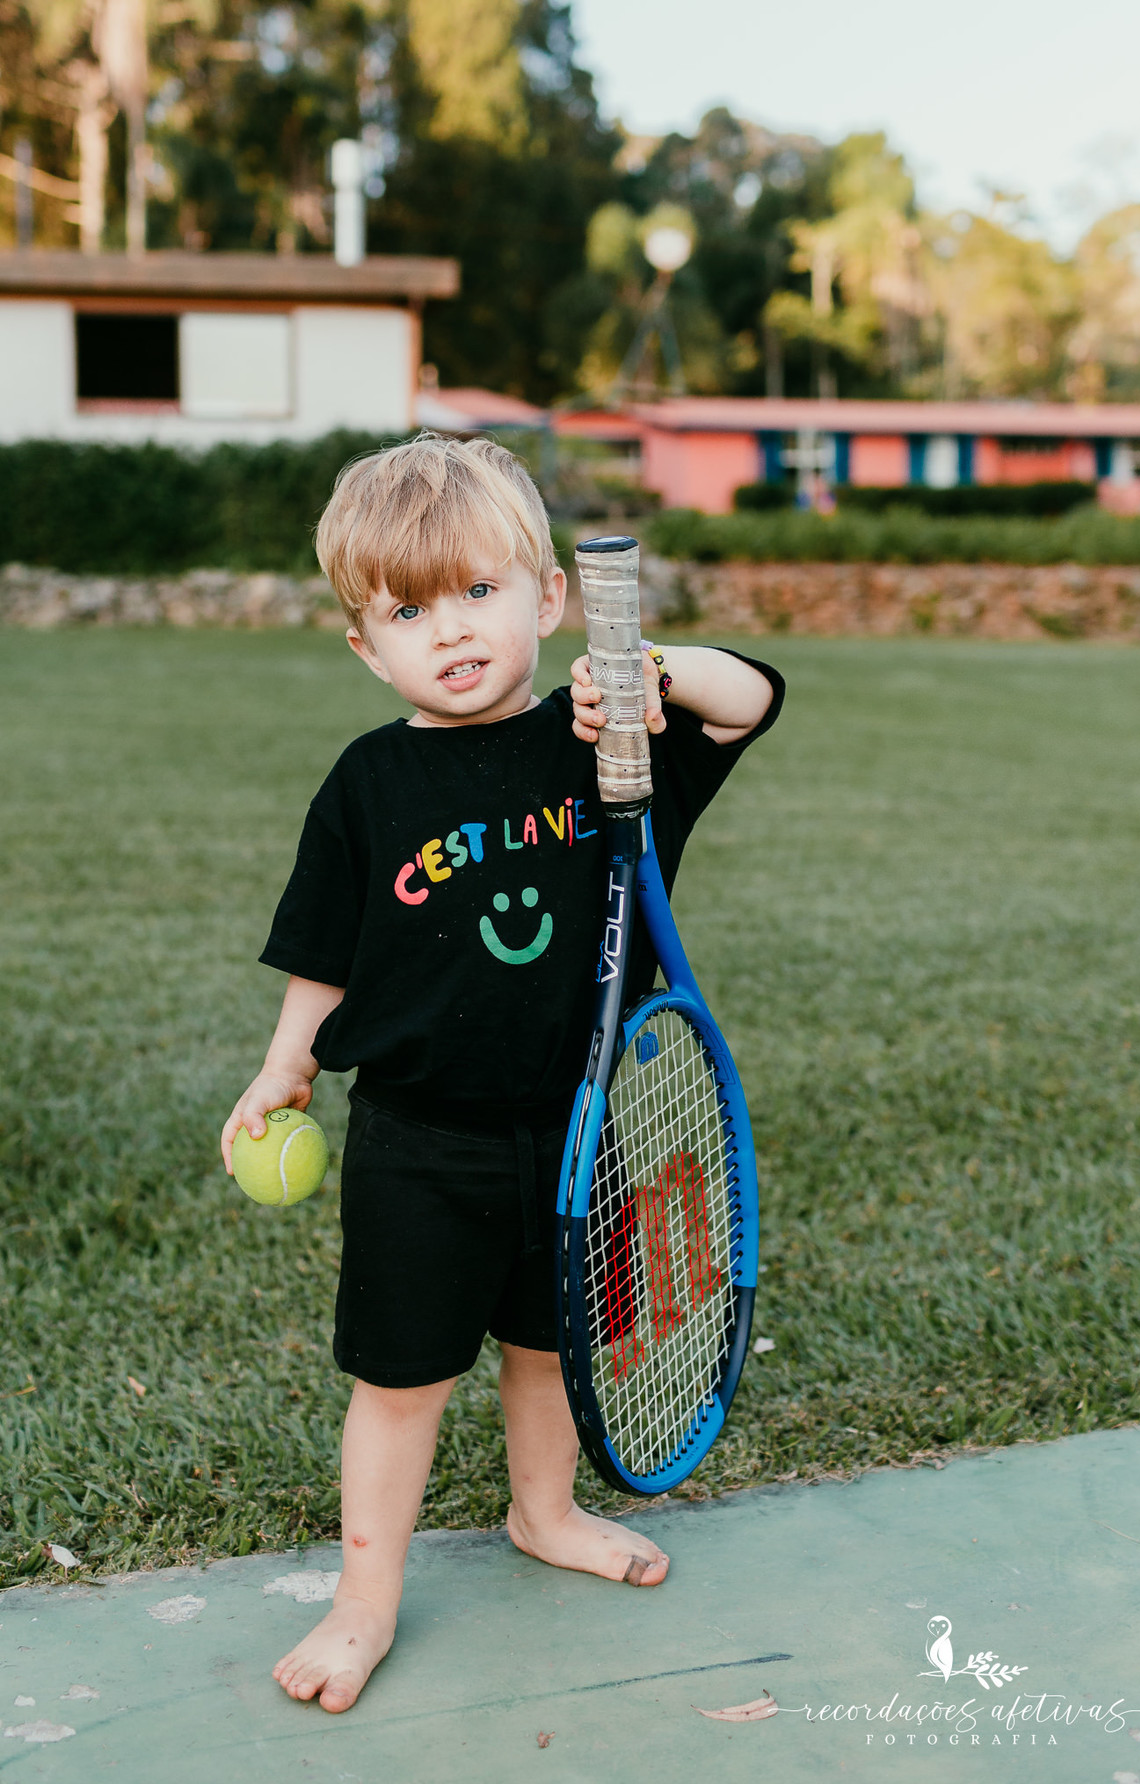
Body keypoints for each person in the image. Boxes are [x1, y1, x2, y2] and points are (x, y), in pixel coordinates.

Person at [220, 433, 783, 1713]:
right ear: (368, 647)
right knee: (403, 1380)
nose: (453, 631)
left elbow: (752, 695)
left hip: (584, 1126)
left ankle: (545, 1512)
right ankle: (364, 1603)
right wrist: (282, 1071)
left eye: (480, 592)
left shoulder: (615, 753)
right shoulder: (368, 783)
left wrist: (648, 679)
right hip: (420, 1140)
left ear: (548, 599)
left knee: (548, 1349)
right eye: (410, 610)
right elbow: (322, 957)